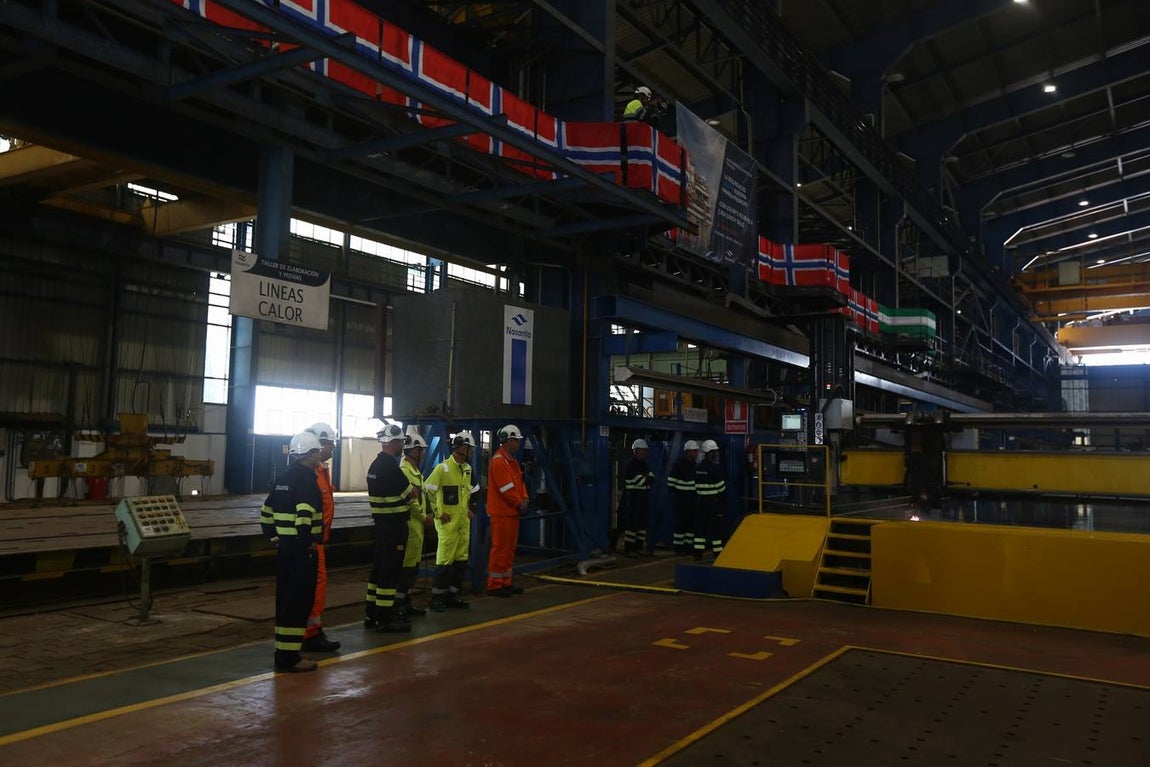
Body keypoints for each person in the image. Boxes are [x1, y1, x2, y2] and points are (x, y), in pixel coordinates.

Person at [260, 431, 325, 673]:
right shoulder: (307, 480)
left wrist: (274, 536)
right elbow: (305, 514)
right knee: (299, 603)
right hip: (301, 552)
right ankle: (290, 658)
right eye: (317, 452)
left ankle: (284, 653)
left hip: (285, 550)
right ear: (309, 455)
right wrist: (307, 541)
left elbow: (266, 512)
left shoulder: (283, 478)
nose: (319, 455)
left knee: (285, 602)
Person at [364, 424, 418, 633]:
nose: (402, 445)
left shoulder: (374, 466)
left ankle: (371, 613)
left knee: (377, 571)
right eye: (402, 442)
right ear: (394, 442)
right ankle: (385, 618)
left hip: (380, 526)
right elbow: (411, 494)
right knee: (390, 572)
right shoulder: (391, 468)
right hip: (394, 527)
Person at [425, 430, 478, 611]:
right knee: (445, 561)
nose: (471, 451)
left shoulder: (467, 469)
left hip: (463, 525)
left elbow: (468, 491)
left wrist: (470, 509)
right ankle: (437, 597)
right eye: (470, 448)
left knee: (460, 560)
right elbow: (428, 490)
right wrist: (438, 513)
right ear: (463, 447)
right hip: (448, 525)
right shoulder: (442, 468)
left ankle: (453, 595)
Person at [301, 422, 340, 653]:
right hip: (311, 542)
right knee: (313, 587)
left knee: (318, 587)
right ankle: (310, 635)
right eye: (328, 445)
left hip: (319, 540)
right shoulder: (308, 474)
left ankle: (313, 631)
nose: (331, 449)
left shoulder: (321, 470)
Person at [486, 424, 530, 597]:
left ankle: (505, 582)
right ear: (508, 441)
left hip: (511, 512)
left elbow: (520, 483)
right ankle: (494, 585)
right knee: (500, 548)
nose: (518, 444)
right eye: (516, 441)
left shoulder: (511, 461)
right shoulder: (499, 462)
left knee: (509, 548)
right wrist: (521, 502)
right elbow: (507, 489)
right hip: (502, 513)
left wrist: (524, 498)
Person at [396, 432, 433, 618]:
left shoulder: (416, 471)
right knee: (406, 568)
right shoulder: (404, 471)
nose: (423, 454)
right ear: (414, 451)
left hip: (417, 527)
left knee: (413, 567)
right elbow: (412, 501)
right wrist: (424, 517)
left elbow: (422, 497)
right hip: (410, 526)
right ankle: (399, 604)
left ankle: (406, 601)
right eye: (421, 450)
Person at [694, 439, 726, 559]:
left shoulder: (697, 468)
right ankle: (717, 553)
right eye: (715, 452)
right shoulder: (715, 468)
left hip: (700, 502)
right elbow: (721, 488)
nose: (716, 454)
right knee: (716, 529)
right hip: (713, 503)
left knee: (700, 529)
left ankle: (697, 554)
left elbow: (694, 485)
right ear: (710, 453)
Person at [623, 438, 655, 556]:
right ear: (636, 451)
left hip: (643, 498)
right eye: (643, 451)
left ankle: (639, 547)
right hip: (633, 498)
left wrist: (647, 478)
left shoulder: (644, 465)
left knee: (642, 524)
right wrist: (647, 478)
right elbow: (642, 481)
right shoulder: (630, 465)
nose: (645, 453)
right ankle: (629, 549)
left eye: (646, 451)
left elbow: (651, 478)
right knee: (632, 524)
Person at [668, 440, 700, 555]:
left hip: (692, 500)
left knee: (690, 524)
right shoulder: (679, 465)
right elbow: (671, 482)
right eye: (694, 451)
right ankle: (678, 548)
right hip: (681, 500)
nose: (696, 454)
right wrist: (677, 493)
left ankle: (687, 546)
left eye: (696, 451)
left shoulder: (695, 466)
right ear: (687, 452)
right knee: (681, 524)